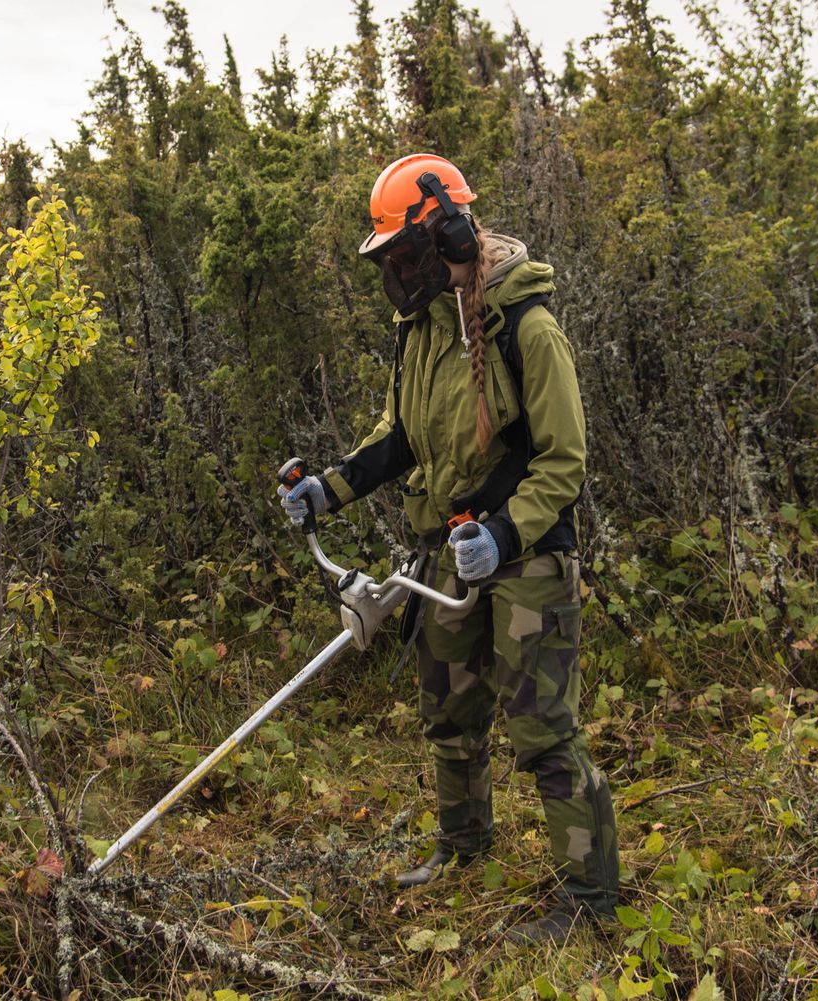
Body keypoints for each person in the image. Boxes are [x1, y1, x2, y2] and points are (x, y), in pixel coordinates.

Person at [276, 153, 620, 943]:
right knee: (449, 711)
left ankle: (592, 904)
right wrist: (330, 486)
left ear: (448, 234)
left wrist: (501, 534)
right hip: (446, 546)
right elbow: (403, 436)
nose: (395, 271)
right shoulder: (423, 327)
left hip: (527, 551)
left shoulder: (527, 325)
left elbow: (564, 460)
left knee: (542, 727)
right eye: (388, 258)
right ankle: (463, 847)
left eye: (403, 253)